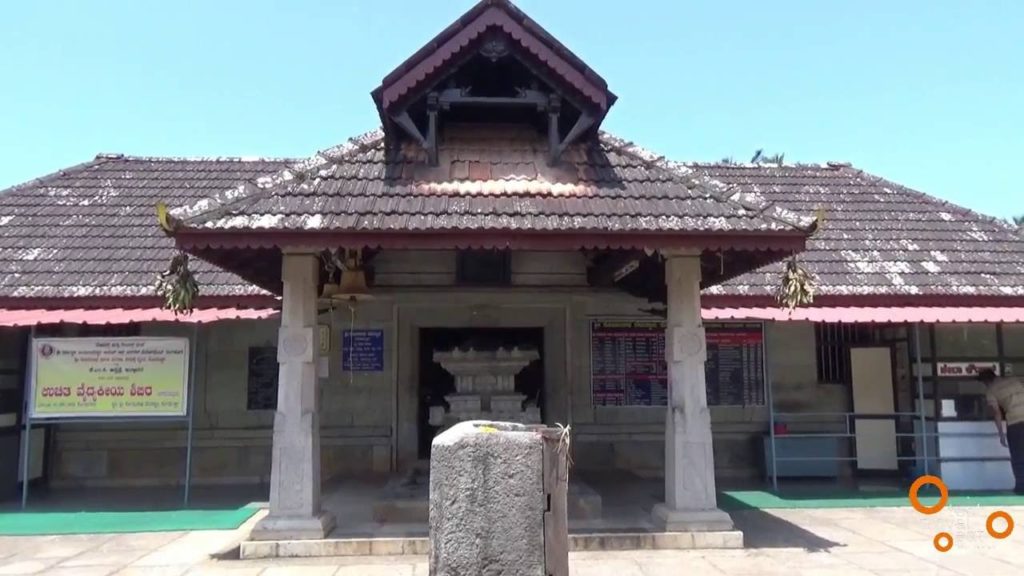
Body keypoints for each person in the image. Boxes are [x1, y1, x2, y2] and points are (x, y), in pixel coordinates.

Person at [978, 368, 1024, 494]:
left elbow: (997, 413)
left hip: (1016, 424)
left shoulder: (991, 391)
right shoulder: (1015, 380)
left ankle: (1021, 488)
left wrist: (1001, 434)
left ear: (986, 381)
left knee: (1018, 457)